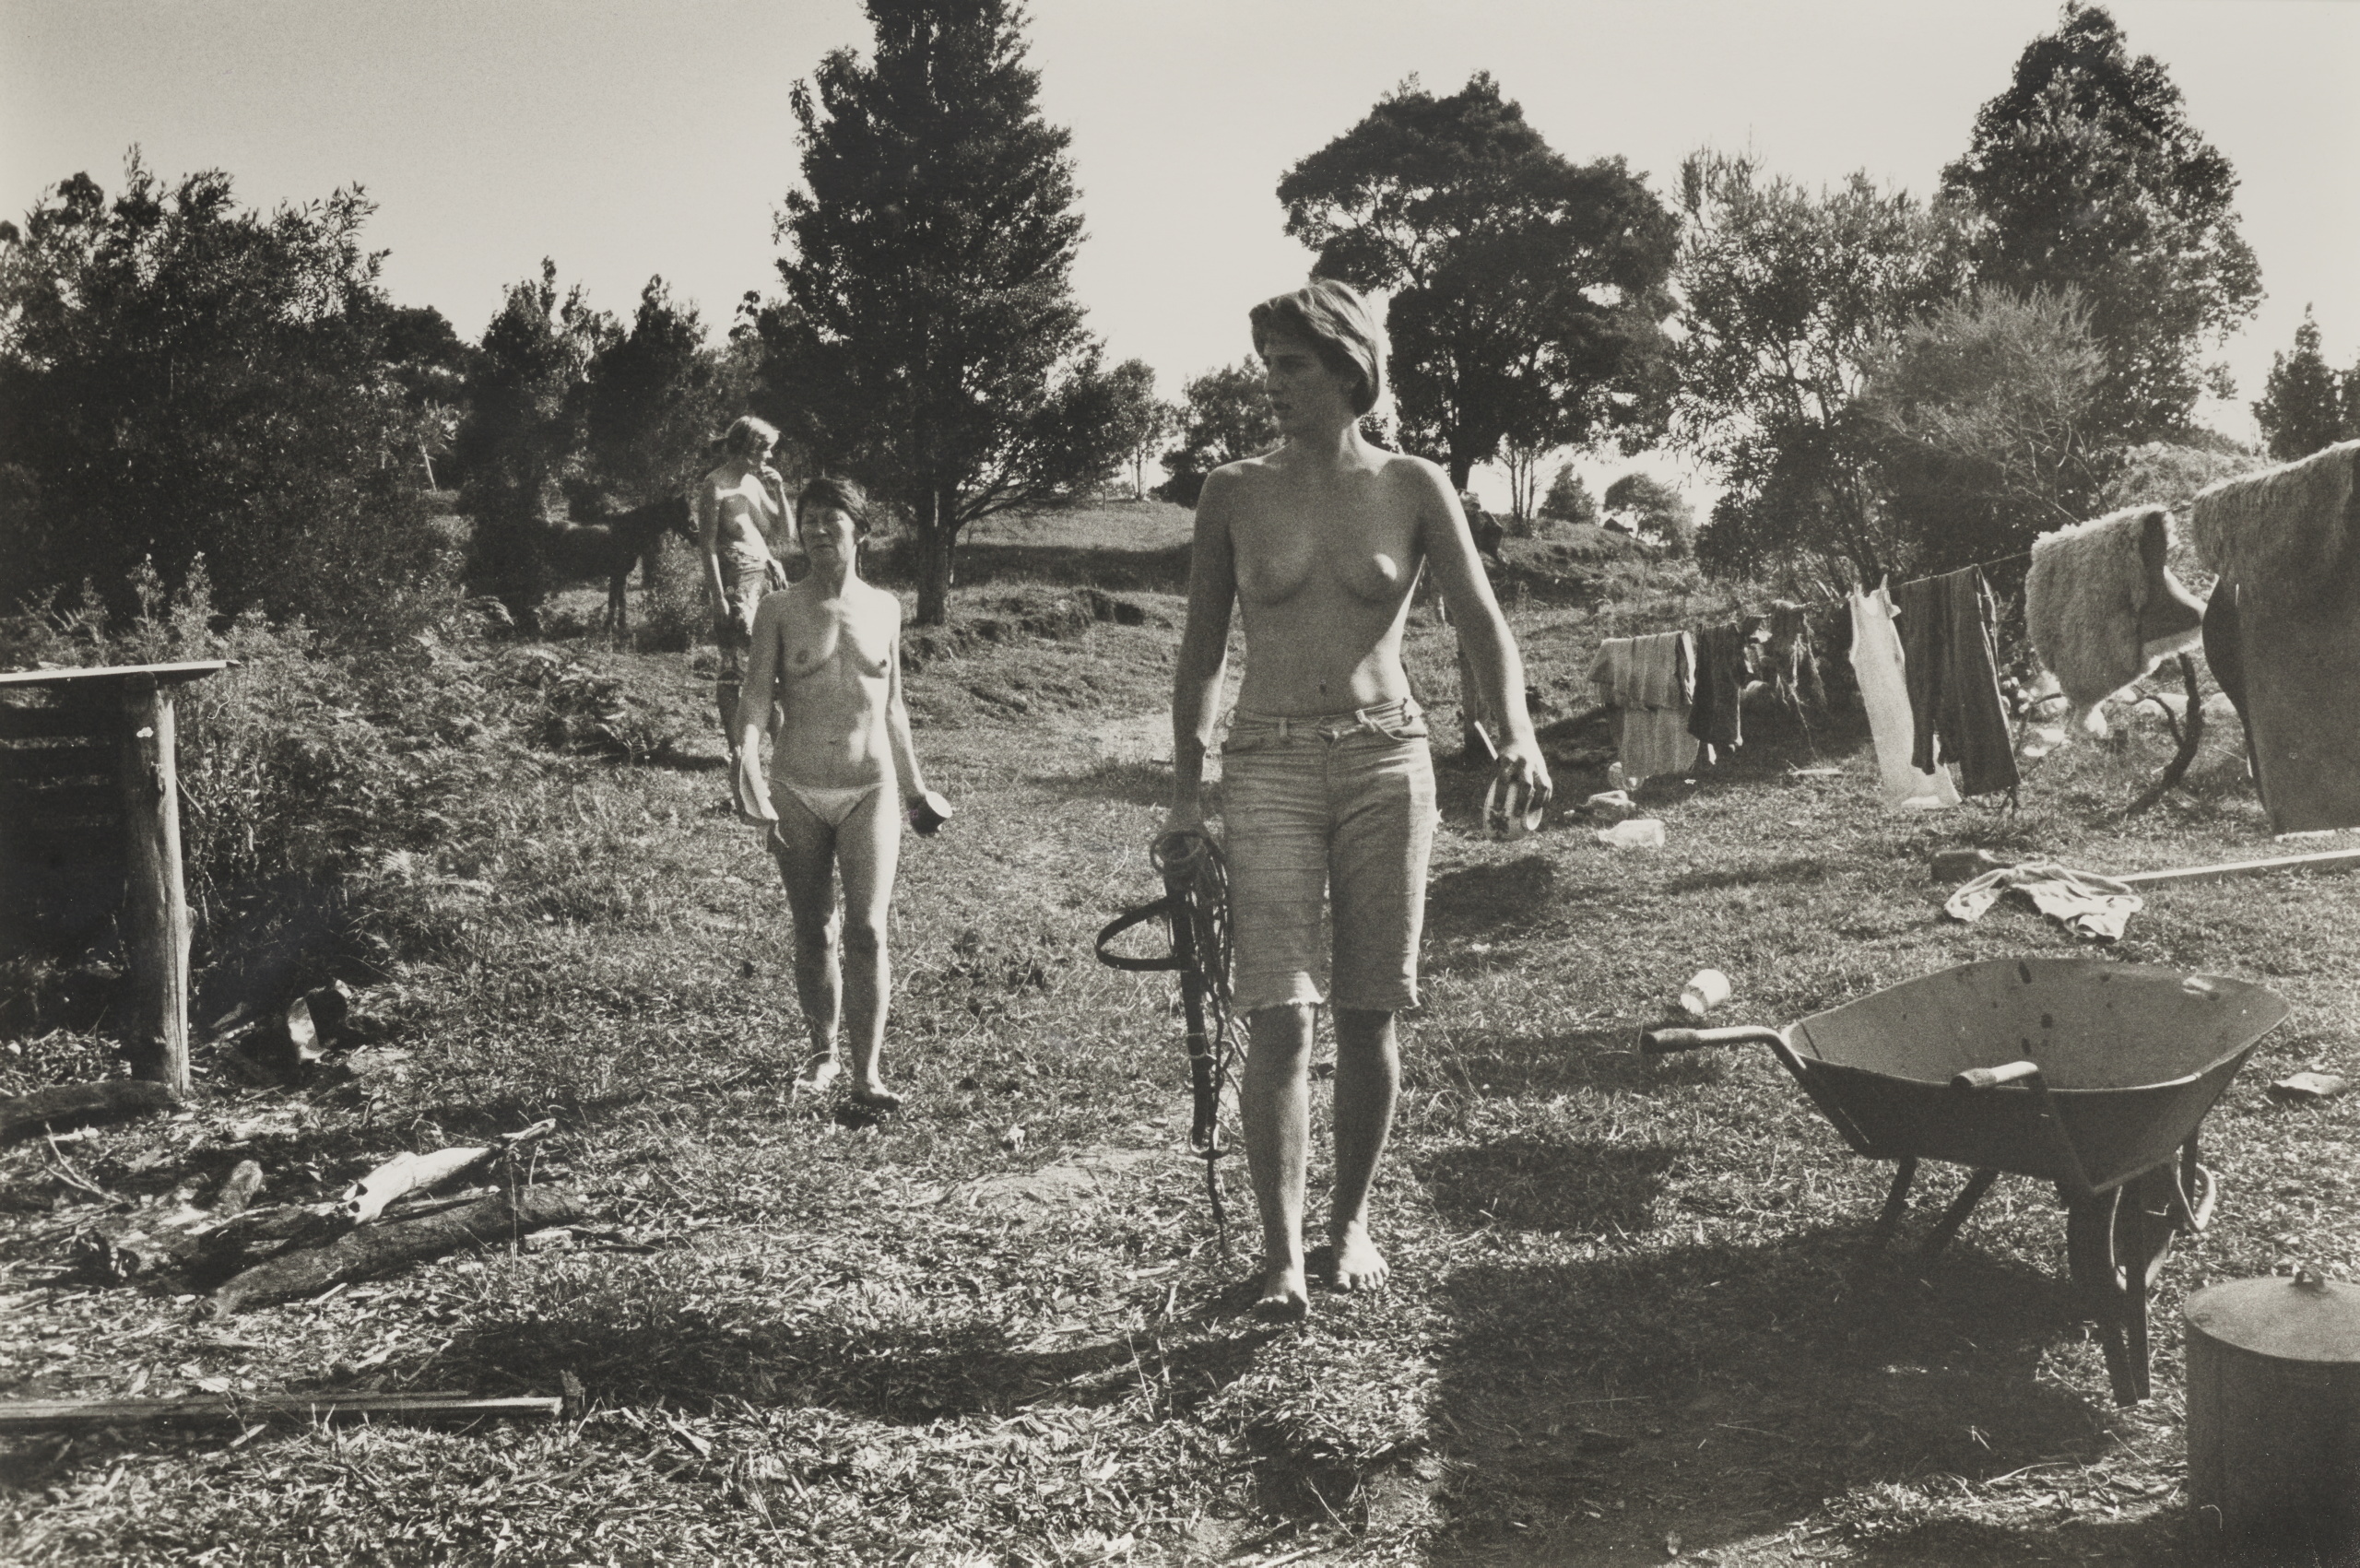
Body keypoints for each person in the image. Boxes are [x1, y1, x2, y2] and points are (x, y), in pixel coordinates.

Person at [1163, 280, 1551, 1320]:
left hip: (1388, 759)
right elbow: (1200, 650)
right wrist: (1184, 795)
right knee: (1279, 1014)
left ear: (1347, 370)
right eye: (1267, 367)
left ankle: (1351, 1226)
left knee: (1371, 1009)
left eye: (1290, 367)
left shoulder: (1414, 484)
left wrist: (1514, 731)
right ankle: (1282, 1252)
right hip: (1269, 762)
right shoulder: (1231, 491)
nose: (1273, 388)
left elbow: (1479, 626)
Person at [732, 477, 931, 1108]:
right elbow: (757, 696)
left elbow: (894, 707)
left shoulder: (887, 608)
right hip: (797, 788)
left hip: (870, 787)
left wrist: (918, 790)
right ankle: (822, 1054)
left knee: (867, 929)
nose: (817, 530)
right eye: (809, 520)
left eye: (831, 520)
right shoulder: (780, 609)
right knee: (814, 927)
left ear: (860, 530)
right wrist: (746, 765)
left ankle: (867, 1073)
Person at [696, 416, 793, 764]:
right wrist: (717, 597)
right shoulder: (714, 484)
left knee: (774, 665)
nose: (769, 457)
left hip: (767, 580)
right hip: (737, 586)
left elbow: (784, 533)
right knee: (734, 668)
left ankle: (782, 746)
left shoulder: (753, 483)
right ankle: (737, 750)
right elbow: (706, 546)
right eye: (765, 449)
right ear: (748, 447)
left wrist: (780, 490)